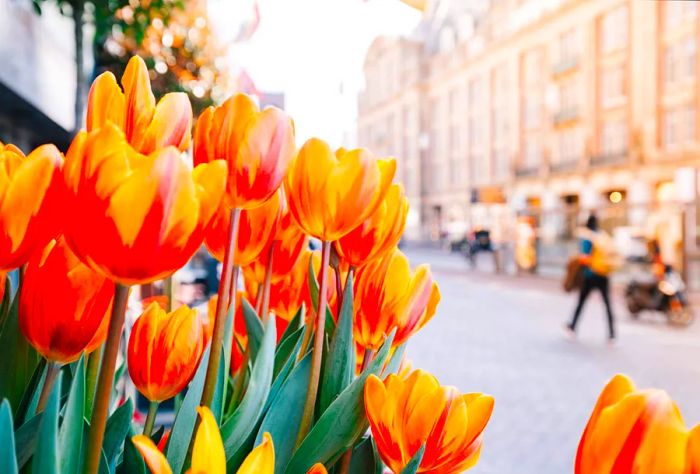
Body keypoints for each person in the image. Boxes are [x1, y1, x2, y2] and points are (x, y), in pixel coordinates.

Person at [566, 214, 618, 342]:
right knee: (607, 304)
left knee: (581, 302)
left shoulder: (588, 237)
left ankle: (573, 325)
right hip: (604, 275)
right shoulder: (602, 236)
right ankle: (611, 333)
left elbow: (584, 258)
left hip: (590, 275)